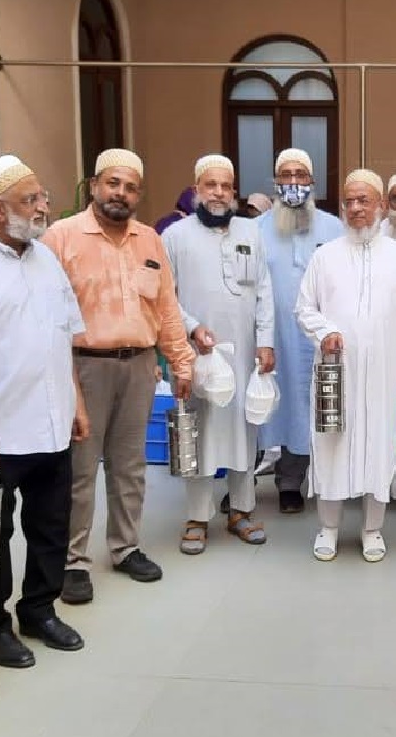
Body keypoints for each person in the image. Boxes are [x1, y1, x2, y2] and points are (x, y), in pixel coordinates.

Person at [0, 155, 90, 668]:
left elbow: (63, 337)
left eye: (41, 196)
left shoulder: (45, 258)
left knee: (51, 526)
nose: (43, 206)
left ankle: (39, 611)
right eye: (31, 200)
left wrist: (76, 402)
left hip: (52, 422)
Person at [41, 148, 194, 605]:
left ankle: (125, 547)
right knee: (81, 469)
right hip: (84, 367)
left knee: (130, 467)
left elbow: (166, 307)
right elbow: (45, 316)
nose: (120, 193)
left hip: (140, 365)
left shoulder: (149, 240)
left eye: (130, 187)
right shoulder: (61, 237)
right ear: (94, 186)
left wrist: (181, 362)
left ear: (138, 195)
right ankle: (73, 561)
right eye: (112, 183)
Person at [295, 169, 396, 560]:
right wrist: (325, 332)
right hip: (337, 372)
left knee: (380, 446)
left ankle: (372, 530)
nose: (355, 208)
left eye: (363, 200)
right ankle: (328, 528)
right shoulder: (325, 256)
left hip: (385, 374)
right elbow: (304, 308)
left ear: (380, 205)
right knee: (331, 446)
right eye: (349, 201)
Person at [163, 154, 275, 553]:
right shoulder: (175, 236)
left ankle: (241, 511)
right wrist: (193, 327)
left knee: (245, 429)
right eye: (210, 185)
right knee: (199, 431)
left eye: (226, 186)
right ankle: (197, 517)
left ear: (234, 192)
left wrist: (265, 340)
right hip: (196, 352)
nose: (218, 193)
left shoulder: (251, 230)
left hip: (244, 352)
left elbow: (264, 289)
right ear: (197, 189)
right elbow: (165, 297)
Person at [257, 148, 343, 513]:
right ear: (275, 182)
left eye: (300, 175)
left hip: (314, 338)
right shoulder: (256, 229)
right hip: (270, 336)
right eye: (286, 175)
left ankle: (294, 481)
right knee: (262, 404)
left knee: (306, 406)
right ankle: (244, 485)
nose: (293, 182)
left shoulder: (333, 228)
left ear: (312, 182)